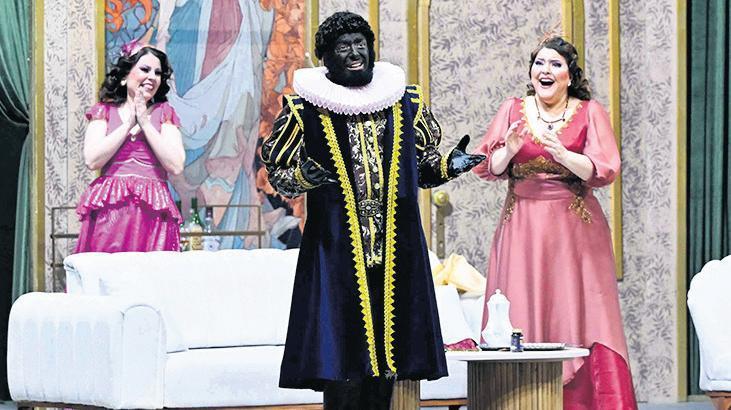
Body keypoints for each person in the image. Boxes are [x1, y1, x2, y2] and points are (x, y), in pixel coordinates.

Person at [262, 12, 485, 409]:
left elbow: (423, 168)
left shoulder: (404, 102)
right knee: (342, 359)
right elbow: (279, 175)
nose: (354, 53)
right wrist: (303, 177)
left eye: (360, 44)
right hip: (336, 251)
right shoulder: (305, 108)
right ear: (326, 57)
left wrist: (449, 165)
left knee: (389, 360)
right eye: (343, 46)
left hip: (396, 250)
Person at [472, 36, 637, 409]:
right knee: (519, 308)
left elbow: (603, 169)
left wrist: (563, 154)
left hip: (575, 229)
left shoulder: (590, 112)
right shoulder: (512, 109)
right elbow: (489, 167)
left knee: (582, 311)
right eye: (540, 63)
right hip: (522, 227)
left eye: (555, 64)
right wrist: (510, 150)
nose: (545, 71)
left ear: (570, 75)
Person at [74, 41, 185, 253]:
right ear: (125, 76)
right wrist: (128, 124)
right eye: (145, 69)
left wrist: (145, 122)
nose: (152, 77)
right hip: (111, 213)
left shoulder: (165, 113)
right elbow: (92, 160)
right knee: (108, 269)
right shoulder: (104, 111)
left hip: (153, 211)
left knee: (152, 271)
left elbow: (176, 165)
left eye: (157, 73)